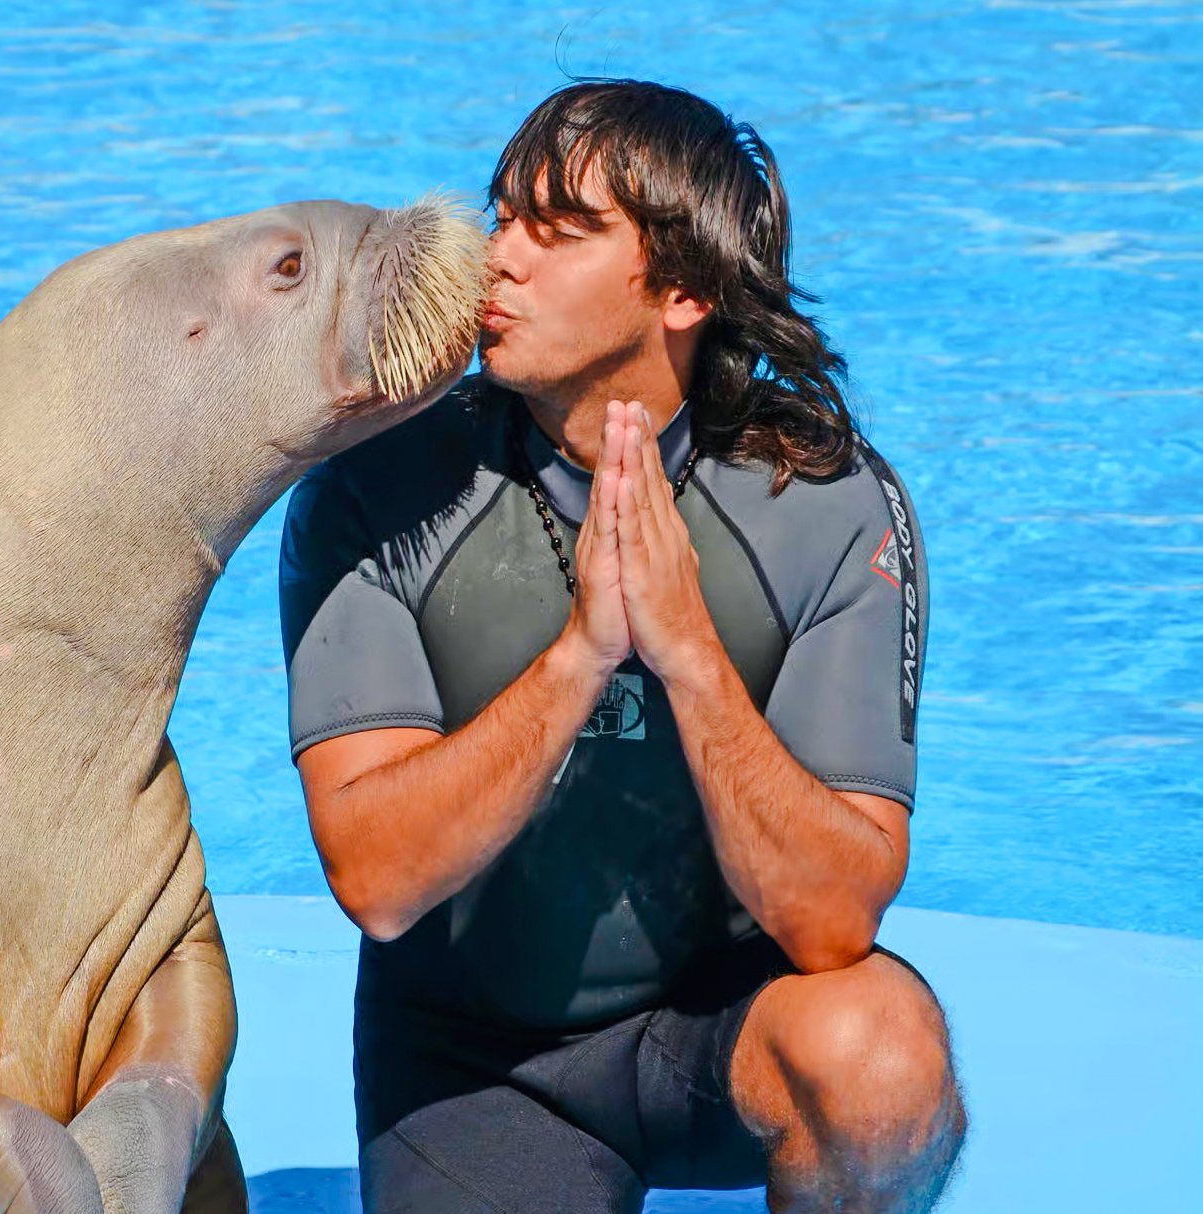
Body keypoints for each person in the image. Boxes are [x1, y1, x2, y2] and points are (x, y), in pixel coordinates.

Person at [277, 80, 967, 1214]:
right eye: (504, 218)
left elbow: (835, 920)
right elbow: (377, 877)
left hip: (722, 1027)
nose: (498, 259)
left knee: (880, 1058)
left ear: (684, 287)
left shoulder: (824, 502)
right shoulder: (378, 486)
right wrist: (581, 653)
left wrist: (688, 651)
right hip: (477, 1059)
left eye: (559, 231)